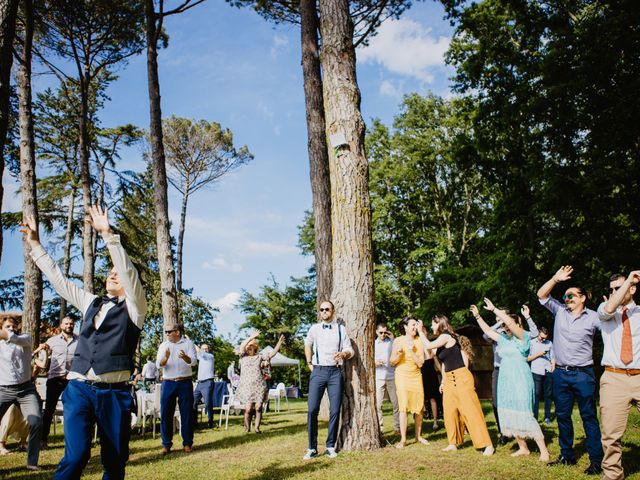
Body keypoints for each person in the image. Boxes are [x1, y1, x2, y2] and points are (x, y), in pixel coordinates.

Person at [22, 206, 147, 480]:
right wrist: (34, 244)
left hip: (114, 393)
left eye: (118, 273)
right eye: (110, 271)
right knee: (76, 456)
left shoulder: (136, 309)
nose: (113, 275)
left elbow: (129, 274)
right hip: (78, 388)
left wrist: (107, 234)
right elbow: (59, 281)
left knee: (114, 461)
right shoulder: (91, 302)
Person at [537, 265, 603, 474]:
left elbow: (611, 333)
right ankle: (567, 455)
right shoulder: (559, 311)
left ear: (583, 298)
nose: (567, 298)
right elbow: (541, 295)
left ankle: (596, 460)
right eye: (565, 295)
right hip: (561, 374)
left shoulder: (594, 317)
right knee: (563, 415)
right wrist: (556, 279)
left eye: (572, 295)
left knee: (589, 417)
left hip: (583, 374)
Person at [472, 300, 550, 461]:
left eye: (509, 325)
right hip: (505, 380)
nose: (506, 328)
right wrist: (478, 316)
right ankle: (523, 447)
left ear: (517, 324)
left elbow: (509, 322)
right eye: (505, 327)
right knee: (509, 411)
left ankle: (544, 451)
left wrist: (494, 309)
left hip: (520, 377)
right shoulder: (503, 339)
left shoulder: (524, 337)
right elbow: (487, 330)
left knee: (525, 412)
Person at [417, 315, 494, 455]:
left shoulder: (446, 336)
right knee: (450, 412)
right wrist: (443, 381)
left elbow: (428, 345)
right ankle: (453, 443)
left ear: (439, 324)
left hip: (461, 377)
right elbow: (433, 356)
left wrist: (420, 332)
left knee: (471, 411)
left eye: (432, 324)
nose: (431, 327)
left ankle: (487, 444)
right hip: (449, 380)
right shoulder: (440, 342)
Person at [598, 271, 640, 480]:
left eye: (620, 287)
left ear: (633, 289)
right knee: (610, 434)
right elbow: (608, 307)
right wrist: (627, 282)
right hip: (613, 377)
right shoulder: (606, 311)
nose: (614, 292)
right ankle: (613, 476)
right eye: (612, 288)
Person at [303, 300, 354, 460]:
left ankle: (330, 446)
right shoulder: (314, 328)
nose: (324, 311)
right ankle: (311, 448)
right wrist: (309, 363)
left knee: (335, 410)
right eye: (322, 309)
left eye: (327, 309)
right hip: (318, 371)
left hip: (335, 372)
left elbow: (349, 349)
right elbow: (307, 344)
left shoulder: (340, 329)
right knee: (312, 410)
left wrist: (344, 354)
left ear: (333, 311)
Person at [484, 304, 539, 445]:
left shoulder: (518, 334)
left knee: (520, 402)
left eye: (502, 315)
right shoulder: (500, 333)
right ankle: (504, 432)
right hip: (499, 371)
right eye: (498, 316)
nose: (499, 318)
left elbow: (534, 333)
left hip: (516, 371)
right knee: (497, 403)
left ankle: (526, 432)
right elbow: (486, 335)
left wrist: (527, 317)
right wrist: (499, 323)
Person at [0, 313, 42, 471]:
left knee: (36, 421)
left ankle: (32, 462)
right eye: (7, 327)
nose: (11, 329)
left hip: (25, 390)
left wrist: (5, 333)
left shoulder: (25, 339)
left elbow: (13, 338)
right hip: (3, 389)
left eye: (13, 326)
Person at [157, 323, 197, 454]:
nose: (167, 334)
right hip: (168, 382)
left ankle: (187, 443)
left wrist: (185, 356)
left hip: (184, 382)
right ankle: (166, 444)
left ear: (177, 332)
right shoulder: (164, 345)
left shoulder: (188, 343)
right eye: (166, 332)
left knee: (187, 413)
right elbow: (159, 365)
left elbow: (194, 362)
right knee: (166, 413)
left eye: (169, 331)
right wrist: (166, 357)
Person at [389, 317, 429, 448]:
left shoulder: (419, 341)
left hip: (416, 376)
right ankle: (403, 439)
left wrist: (411, 350)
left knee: (419, 408)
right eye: (412, 325)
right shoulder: (398, 340)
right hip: (402, 376)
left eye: (416, 325)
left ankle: (418, 436)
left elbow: (421, 363)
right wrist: (399, 355)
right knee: (403, 407)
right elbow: (392, 361)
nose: (414, 327)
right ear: (405, 327)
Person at [40, 316, 78, 449]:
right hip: (54, 379)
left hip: (72, 380)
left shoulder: (80, 341)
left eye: (71, 324)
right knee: (49, 409)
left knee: (74, 410)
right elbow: (42, 357)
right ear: (61, 326)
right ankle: (43, 440)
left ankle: (73, 440)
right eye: (66, 323)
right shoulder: (52, 341)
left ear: (74, 326)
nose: (69, 325)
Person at [236, 331, 285, 433]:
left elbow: (272, 354)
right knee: (248, 408)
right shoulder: (243, 356)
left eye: (251, 345)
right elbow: (241, 346)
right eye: (248, 345)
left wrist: (279, 343)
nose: (248, 347)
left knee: (258, 407)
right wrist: (251, 337)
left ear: (255, 347)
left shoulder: (259, 356)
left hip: (259, 385)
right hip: (247, 387)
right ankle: (247, 428)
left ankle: (257, 428)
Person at [374, 322, 400, 434]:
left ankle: (397, 428)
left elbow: (399, 349)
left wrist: (393, 337)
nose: (383, 334)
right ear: (376, 332)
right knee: (378, 404)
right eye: (381, 332)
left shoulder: (392, 342)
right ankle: (380, 429)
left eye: (385, 332)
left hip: (391, 376)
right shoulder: (373, 344)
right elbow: (369, 359)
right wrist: (375, 362)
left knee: (396, 404)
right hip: (378, 377)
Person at [527, 326, 555, 424]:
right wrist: (539, 354)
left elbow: (553, 356)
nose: (543, 339)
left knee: (548, 394)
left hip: (548, 370)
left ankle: (547, 417)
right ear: (538, 333)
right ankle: (535, 417)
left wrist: (553, 366)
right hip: (536, 370)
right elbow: (528, 358)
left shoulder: (549, 343)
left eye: (545, 338)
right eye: (541, 337)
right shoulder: (531, 343)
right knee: (536, 394)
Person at [420, 322, 442, 432]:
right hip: (420, 370)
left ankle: (435, 421)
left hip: (430, 370)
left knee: (433, 397)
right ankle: (420, 421)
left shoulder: (430, 343)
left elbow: (432, 355)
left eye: (423, 330)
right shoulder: (416, 343)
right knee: (421, 397)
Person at [193, 344, 216, 428]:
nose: (205, 350)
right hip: (199, 383)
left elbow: (199, 351)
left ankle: (210, 422)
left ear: (208, 350)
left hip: (208, 382)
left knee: (208, 403)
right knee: (193, 402)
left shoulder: (210, 356)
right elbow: (196, 353)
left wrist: (191, 341)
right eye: (203, 348)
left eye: (206, 349)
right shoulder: (201, 358)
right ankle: (194, 422)